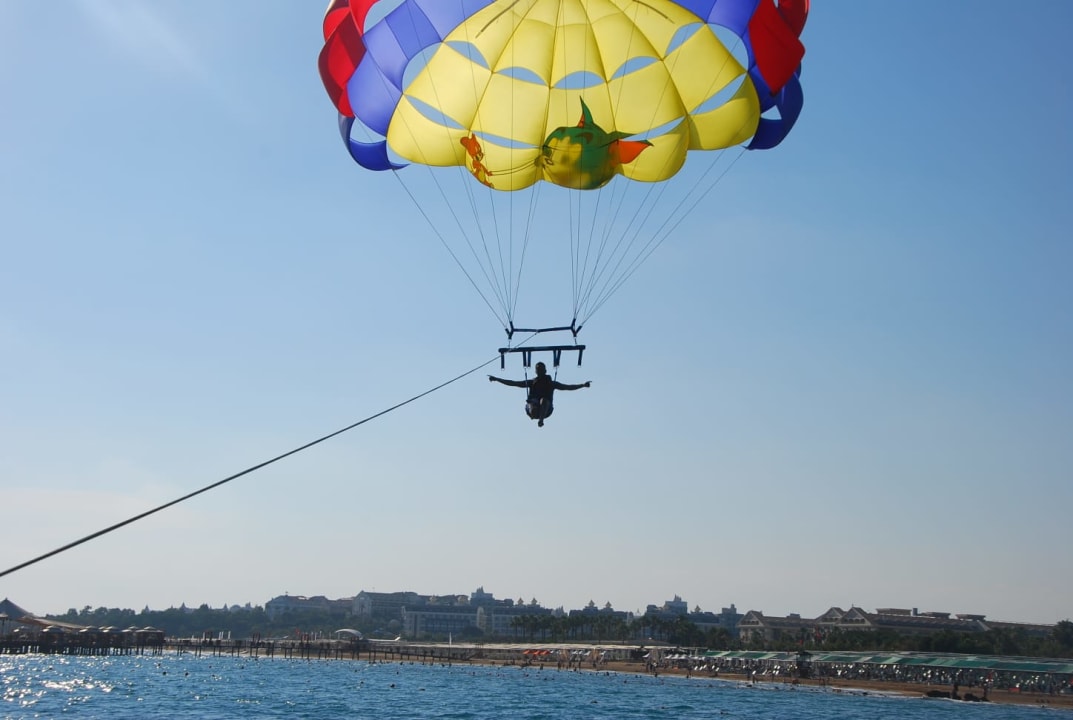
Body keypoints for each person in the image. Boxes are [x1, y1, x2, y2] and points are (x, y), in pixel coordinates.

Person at [488, 361, 591, 427]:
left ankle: (541, 420)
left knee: (543, 400)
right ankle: (535, 413)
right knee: (534, 405)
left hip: (546, 410)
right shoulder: (531, 382)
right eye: (538, 370)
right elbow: (514, 383)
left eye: (542, 370)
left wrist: (582, 385)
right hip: (532, 409)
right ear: (536, 371)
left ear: (545, 371)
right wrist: (497, 379)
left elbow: (568, 387)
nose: (540, 372)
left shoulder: (551, 384)